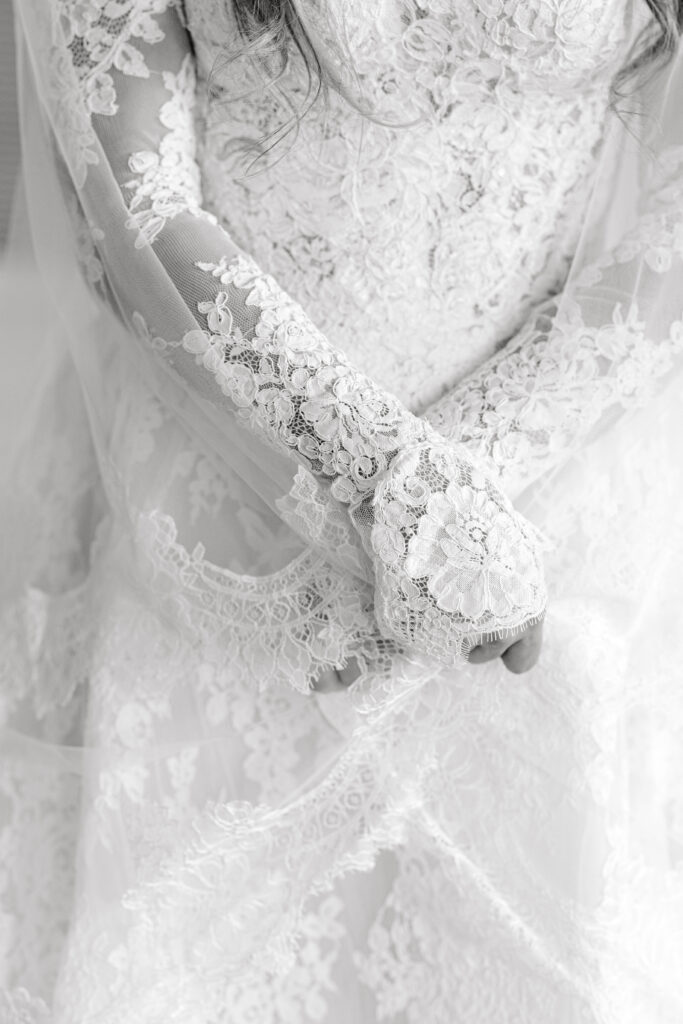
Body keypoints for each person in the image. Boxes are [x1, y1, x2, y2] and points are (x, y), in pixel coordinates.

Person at [2, 0, 683, 1020]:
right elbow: (135, 202)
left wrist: (454, 514)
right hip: (237, 509)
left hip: (550, 496)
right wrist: (382, 495)